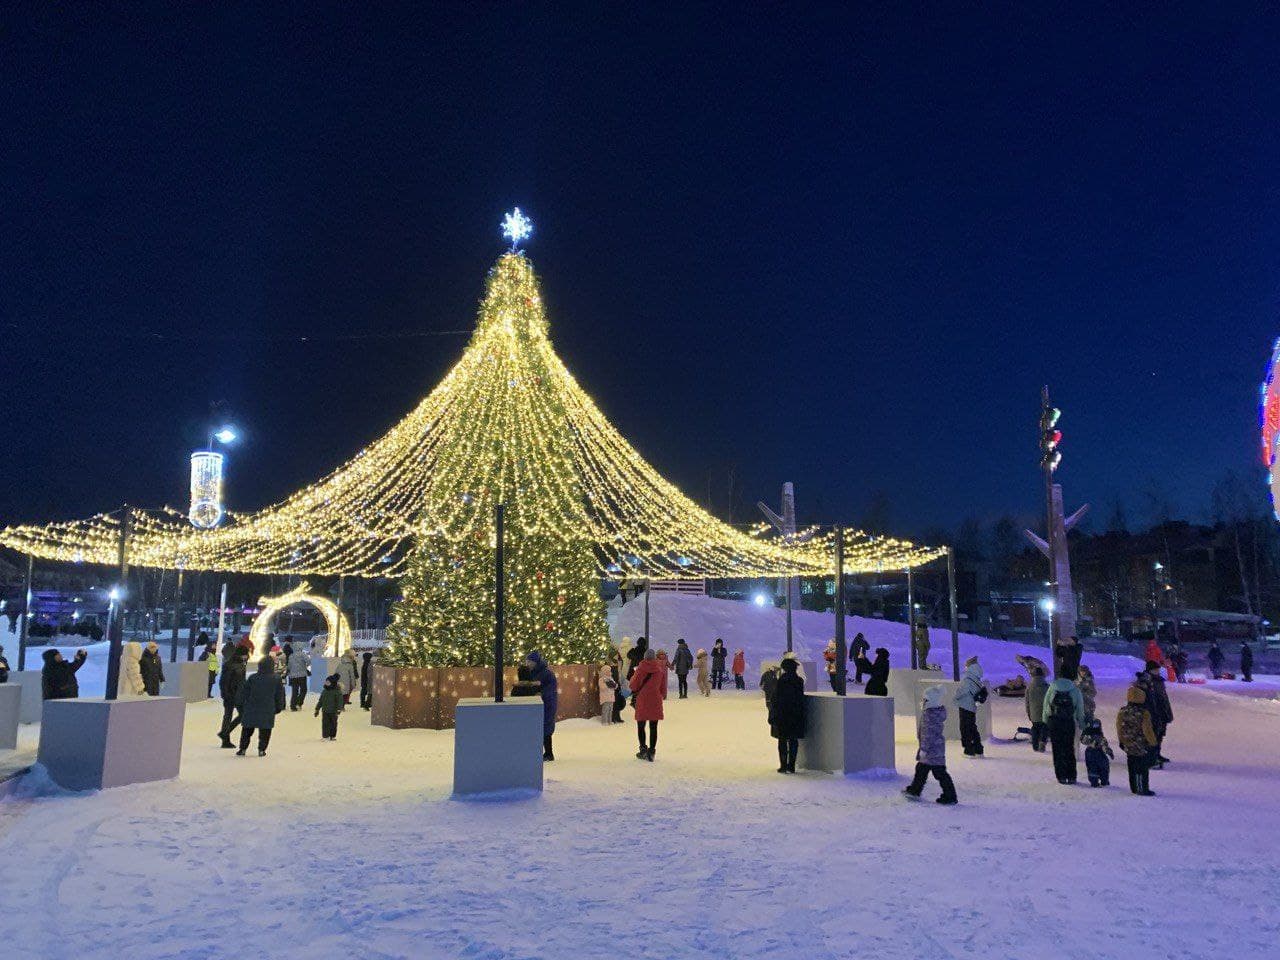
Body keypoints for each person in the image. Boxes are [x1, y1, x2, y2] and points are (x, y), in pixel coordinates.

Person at [903, 685, 957, 804]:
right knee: (922, 769)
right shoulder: (935, 712)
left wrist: (924, 749)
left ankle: (950, 795)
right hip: (936, 748)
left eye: (925, 699)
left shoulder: (929, 715)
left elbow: (928, 734)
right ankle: (915, 790)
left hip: (931, 750)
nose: (923, 701)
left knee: (939, 773)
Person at [235, 657, 286, 757]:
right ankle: (261, 750)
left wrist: (240, 704)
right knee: (265, 731)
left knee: (247, 729)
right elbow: (279, 694)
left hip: (251, 707)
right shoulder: (276, 678)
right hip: (268, 708)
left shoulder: (253, 678)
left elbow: (245, 693)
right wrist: (279, 707)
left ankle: (242, 749)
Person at [1117, 683, 1158, 796]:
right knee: (1142, 768)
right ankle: (1142, 788)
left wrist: (1121, 741)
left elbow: (1119, 727)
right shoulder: (1144, 713)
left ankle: (1134, 787)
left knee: (1132, 766)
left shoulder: (1122, 712)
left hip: (1128, 744)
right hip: (1141, 745)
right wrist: (1153, 742)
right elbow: (1147, 730)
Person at [1043, 673, 1084, 784]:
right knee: (1069, 748)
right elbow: (1080, 709)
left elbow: (1046, 705)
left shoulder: (1052, 688)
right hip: (1068, 722)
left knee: (1057, 749)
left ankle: (1061, 776)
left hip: (1054, 723)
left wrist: (1045, 722)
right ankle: (1071, 776)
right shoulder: (1075, 690)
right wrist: (1081, 724)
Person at [769, 654, 806, 773]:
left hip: (782, 715)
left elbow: (775, 698)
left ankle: (783, 765)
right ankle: (792, 765)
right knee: (793, 741)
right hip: (796, 715)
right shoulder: (799, 681)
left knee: (782, 741)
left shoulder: (781, 681)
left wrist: (772, 713)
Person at [630, 648, 665, 760]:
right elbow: (663, 690)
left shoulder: (640, 670)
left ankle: (643, 749)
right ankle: (652, 752)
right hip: (655, 700)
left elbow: (633, 686)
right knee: (653, 727)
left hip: (642, 700)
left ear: (644, 657)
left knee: (641, 726)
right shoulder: (659, 670)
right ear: (654, 657)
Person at [1137, 661, 1173, 767]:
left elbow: (1163, 697)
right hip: (1151, 712)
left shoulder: (1159, 681)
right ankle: (1151, 756)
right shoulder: (1145, 680)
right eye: (1155, 670)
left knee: (1160, 734)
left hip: (1161, 711)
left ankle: (1157, 754)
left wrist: (1167, 713)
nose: (1157, 671)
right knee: (1151, 735)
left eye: (1158, 669)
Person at [526, 650, 559, 761]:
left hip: (547, 704)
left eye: (530, 661)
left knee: (546, 728)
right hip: (539, 703)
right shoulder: (533, 673)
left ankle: (549, 753)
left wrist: (540, 694)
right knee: (540, 728)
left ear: (535, 662)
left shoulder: (546, 674)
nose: (527, 664)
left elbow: (550, 689)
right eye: (527, 661)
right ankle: (542, 753)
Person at [954, 656, 987, 757]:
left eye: (966, 665)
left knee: (965, 728)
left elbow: (961, 692)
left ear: (969, 667)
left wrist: (955, 698)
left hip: (965, 705)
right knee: (972, 727)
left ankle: (969, 750)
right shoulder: (976, 677)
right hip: (972, 706)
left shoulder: (968, 679)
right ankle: (978, 749)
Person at [218, 647, 248, 748]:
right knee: (241, 714)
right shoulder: (236, 666)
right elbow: (227, 681)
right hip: (234, 695)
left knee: (228, 716)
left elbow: (224, 681)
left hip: (232, 695)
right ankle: (225, 735)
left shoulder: (233, 664)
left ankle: (225, 737)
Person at [1080, 717, 1114, 788]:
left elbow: (1104, 745)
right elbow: (1083, 740)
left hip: (1099, 753)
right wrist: (1092, 743)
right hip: (1091, 753)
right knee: (1093, 768)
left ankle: (1104, 780)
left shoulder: (1100, 737)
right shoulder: (1088, 735)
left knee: (1104, 767)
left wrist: (1109, 751)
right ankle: (1094, 781)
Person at [1025, 666, 1049, 752]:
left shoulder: (1029, 686)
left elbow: (1027, 701)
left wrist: (1028, 712)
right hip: (1045, 711)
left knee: (1035, 727)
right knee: (1044, 726)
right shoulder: (1046, 685)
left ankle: (1035, 745)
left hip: (1033, 710)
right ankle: (1042, 741)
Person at [314, 673, 344, 741]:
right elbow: (321, 700)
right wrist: (317, 709)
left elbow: (340, 701)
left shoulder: (337, 692)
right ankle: (325, 736)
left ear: (332, 683)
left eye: (328, 682)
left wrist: (339, 709)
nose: (326, 683)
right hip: (325, 711)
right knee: (325, 724)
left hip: (333, 711)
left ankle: (332, 736)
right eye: (326, 682)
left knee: (333, 724)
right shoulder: (324, 691)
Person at [286, 642, 310, 711]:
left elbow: (289, 666)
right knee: (303, 690)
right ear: (300, 647)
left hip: (293, 676)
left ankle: (292, 706)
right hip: (302, 675)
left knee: (294, 691)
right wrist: (305, 666)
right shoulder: (303, 654)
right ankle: (299, 703)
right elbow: (308, 661)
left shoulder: (291, 655)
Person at [597, 661, 617, 725]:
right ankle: (604, 721)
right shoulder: (602, 679)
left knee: (610, 710)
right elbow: (602, 687)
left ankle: (609, 720)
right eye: (607, 671)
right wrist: (608, 685)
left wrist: (614, 685)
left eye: (610, 671)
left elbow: (615, 685)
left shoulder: (611, 679)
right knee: (605, 710)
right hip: (605, 697)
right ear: (604, 672)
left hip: (611, 697)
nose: (609, 672)